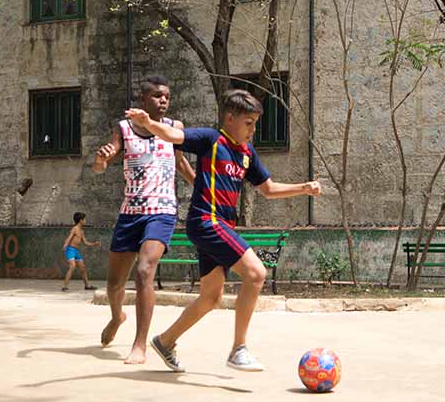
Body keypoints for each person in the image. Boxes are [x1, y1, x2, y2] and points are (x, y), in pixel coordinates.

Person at [127, 89, 321, 372]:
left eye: (255, 123)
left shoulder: (246, 153)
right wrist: (148, 123)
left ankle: (166, 341)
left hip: (221, 226)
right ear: (230, 118)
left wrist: (302, 188)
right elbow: (172, 136)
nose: (252, 130)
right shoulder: (210, 139)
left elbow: (267, 189)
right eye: (248, 123)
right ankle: (238, 349)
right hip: (206, 221)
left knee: (211, 297)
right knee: (256, 273)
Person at [92, 75, 196, 364]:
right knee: (114, 285)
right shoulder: (124, 128)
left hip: (162, 211)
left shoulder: (174, 128)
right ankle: (117, 317)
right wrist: (101, 159)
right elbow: (102, 165)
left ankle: (140, 345)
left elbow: (182, 163)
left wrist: (206, 190)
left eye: (167, 96)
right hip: (130, 213)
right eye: (158, 96)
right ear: (143, 99)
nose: (164, 100)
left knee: (144, 271)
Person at [61, 212, 100, 292]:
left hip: (76, 251)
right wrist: (65, 244)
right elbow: (70, 237)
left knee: (83, 268)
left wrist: (94, 244)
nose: (85, 220)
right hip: (70, 249)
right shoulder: (74, 229)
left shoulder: (81, 231)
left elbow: (85, 242)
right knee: (72, 266)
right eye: (84, 219)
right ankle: (65, 286)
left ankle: (87, 286)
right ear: (80, 220)